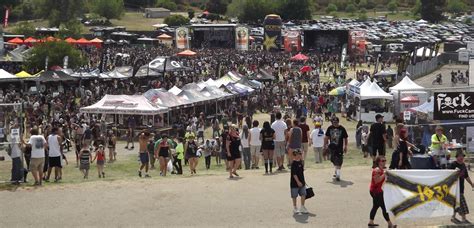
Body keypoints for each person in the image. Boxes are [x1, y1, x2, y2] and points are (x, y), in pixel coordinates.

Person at [368, 156, 397, 228]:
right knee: (384, 208)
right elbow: (377, 181)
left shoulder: (381, 170)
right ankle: (390, 224)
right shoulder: (376, 170)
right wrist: (385, 173)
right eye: (382, 161)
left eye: (385, 160)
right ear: (378, 162)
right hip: (376, 192)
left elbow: (383, 180)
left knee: (375, 206)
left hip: (377, 191)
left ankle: (371, 222)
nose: (384, 162)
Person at [450, 151, 474, 224]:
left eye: (462, 156)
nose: (461, 158)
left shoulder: (463, 165)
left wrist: (471, 184)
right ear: (456, 157)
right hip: (454, 187)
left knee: (456, 204)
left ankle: (453, 217)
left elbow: (466, 176)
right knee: (462, 203)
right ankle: (464, 219)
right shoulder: (453, 164)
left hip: (461, 187)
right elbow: (448, 174)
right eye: (460, 156)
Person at [323, 117, 348, 181]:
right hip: (332, 147)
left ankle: (338, 175)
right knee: (332, 159)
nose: (335, 124)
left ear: (338, 122)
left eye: (336, 122)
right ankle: (336, 170)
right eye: (334, 122)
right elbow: (326, 137)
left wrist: (345, 146)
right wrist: (325, 145)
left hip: (339, 147)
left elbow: (345, 138)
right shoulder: (330, 128)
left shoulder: (342, 128)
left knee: (339, 160)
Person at [290, 149, 308, 215]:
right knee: (294, 196)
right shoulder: (293, 164)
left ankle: (302, 207)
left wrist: (303, 181)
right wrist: (298, 182)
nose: (299, 155)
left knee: (303, 194)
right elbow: (294, 174)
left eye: (300, 154)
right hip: (295, 183)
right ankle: (295, 208)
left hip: (302, 182)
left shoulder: (301, 162)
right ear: (295, 155)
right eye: (298, 154)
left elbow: (301, 172)